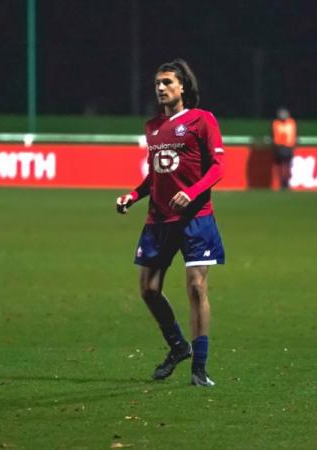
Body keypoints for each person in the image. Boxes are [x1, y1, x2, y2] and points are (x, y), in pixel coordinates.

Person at [115, 59, 226, 387]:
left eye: (166, 82)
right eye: (157, 83)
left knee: (196, 286)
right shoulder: (152, 127)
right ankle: (178, 346)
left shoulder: (202, 121)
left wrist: (191, 193)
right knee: (148, 290)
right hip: (158, 220)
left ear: (182, 87)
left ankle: (199, 368)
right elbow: (155, 176)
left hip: (196, 219)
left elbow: (218, 167)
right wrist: (132, 197)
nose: (160, 88)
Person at [272, 107, 297, 189]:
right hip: (286, 147)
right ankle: (284, 182)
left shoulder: (277, 123)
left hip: (283, 147)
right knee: (285, 166)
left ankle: (284, 182)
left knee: (284, 166)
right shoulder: (291, 122)